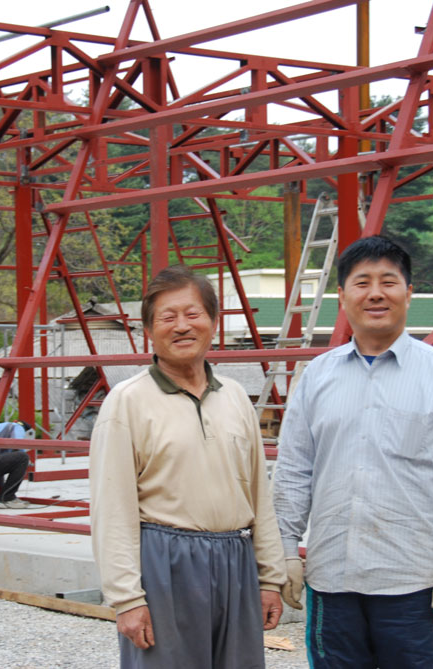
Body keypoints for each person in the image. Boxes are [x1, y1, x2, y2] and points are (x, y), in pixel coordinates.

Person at [272, 235, 433, 669]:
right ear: (342, 296)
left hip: (415, 582)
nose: (375, 293)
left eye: (388, 282)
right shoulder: (317, 377)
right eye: (362, 282)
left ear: (408, 293)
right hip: (333, 580)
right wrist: (283, 549)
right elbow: (295, 470)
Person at [89, 264, 286, 668]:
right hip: (166, 562)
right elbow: (112, 509)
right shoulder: (127, 402)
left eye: (193, 314)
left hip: (236, 559)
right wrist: (126, 598)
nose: (182, 326)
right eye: (168, 317)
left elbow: (259, 498)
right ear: (149, 330)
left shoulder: (234, 398)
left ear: (213, 322)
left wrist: (270, 578)